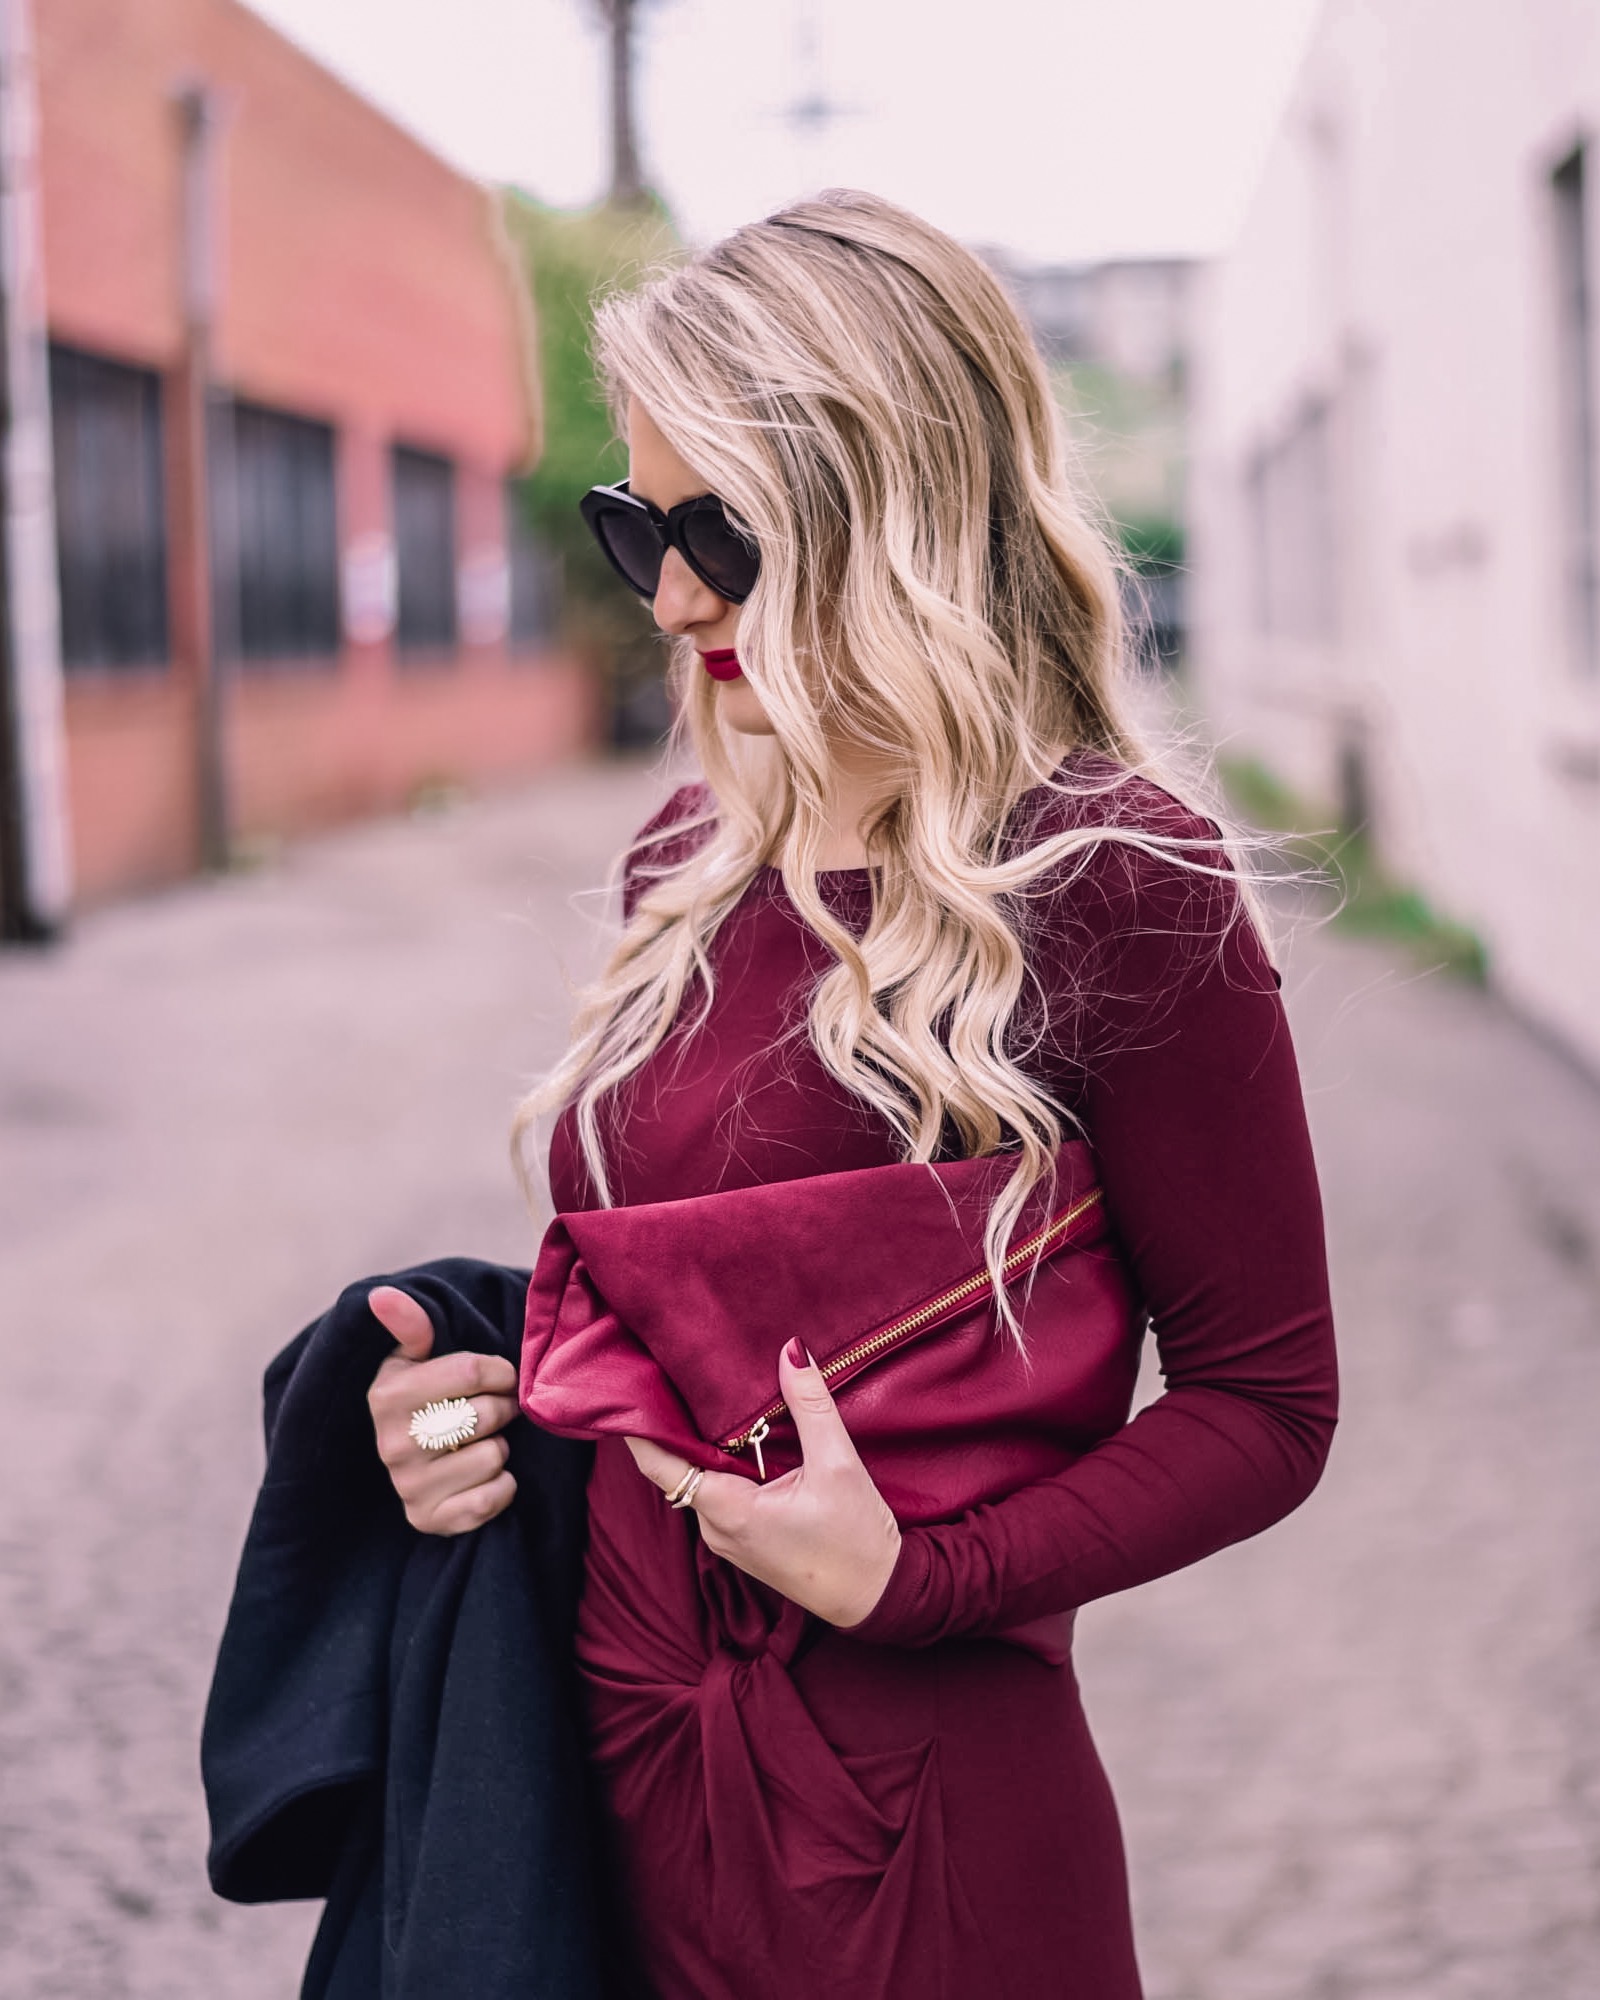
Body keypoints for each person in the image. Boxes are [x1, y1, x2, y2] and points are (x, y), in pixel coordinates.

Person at [363, 189, 1338, 1999]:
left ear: (887, 507)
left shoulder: (1117, 878)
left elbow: (1269, 1403)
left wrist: (925, 1577)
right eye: (634, 524)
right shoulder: (692, 849)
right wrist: (467, 1429)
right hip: (608, 1779)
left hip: (920, 1824)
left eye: (719, 533)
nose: (667, 594)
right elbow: (676, 1320)